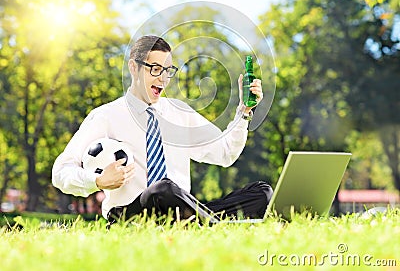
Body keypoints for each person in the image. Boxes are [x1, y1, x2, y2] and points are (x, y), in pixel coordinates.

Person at [52, 35, 272, 225]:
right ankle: (213, 223)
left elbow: (225, 153)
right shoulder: (106, 116)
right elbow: (60, 172)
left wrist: (244, 111)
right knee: (163, 190)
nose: (163, 79)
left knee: (262, 192)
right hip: (129, 215)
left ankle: (202, 222)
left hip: (181, 211)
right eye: (155, 69)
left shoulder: (180, 113)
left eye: (168, 71)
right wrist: (97, 181)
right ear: (133, 67)